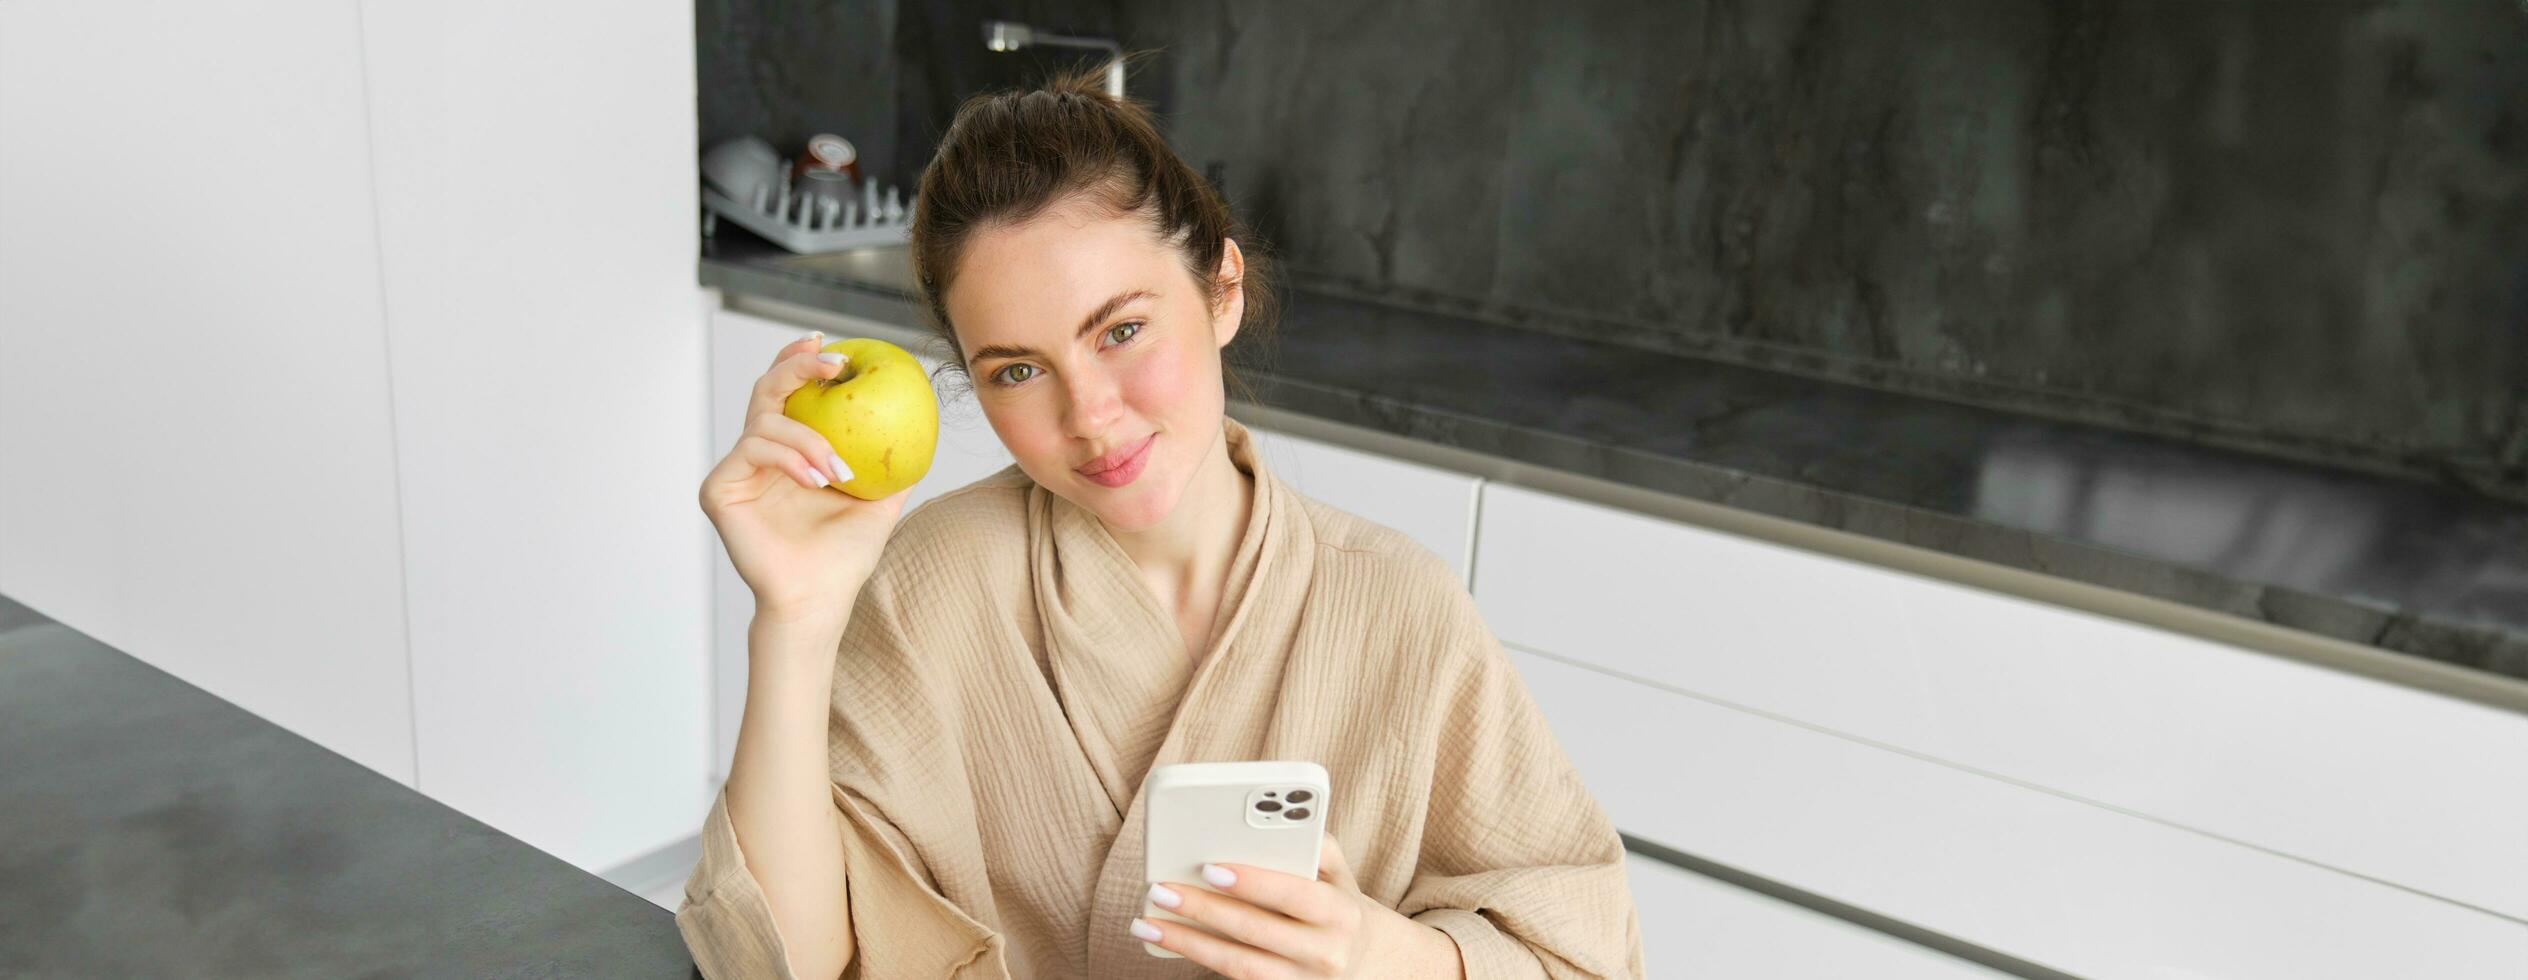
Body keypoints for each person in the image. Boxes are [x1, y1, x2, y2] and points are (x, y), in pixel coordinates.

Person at [679, 62, 1644, 980]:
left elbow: (1584, 955)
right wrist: (795, 622)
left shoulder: (1400, 605)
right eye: (1017, 369)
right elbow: (783, 961)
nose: (1089, 415)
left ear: (1222, 288)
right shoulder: (931, 581)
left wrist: (1375, 954)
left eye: (1122, 330)